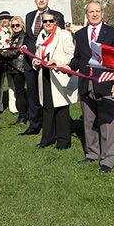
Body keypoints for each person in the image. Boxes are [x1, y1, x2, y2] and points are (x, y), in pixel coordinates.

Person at [69, 1, 114, 174]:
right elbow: (77, 58)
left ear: (102, 13)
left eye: (97, 11)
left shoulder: (113, 33)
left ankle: (108, 160)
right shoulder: (79, 34)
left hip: (107, 83)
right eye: (91, 12)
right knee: (89, 122)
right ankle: (92, 154)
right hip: (86, 84)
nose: (94, 14)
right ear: (86, 14)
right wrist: (65, 66)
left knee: (108, 123)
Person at [22, 0, 65, 136]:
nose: (41, 0)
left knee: (49, 96)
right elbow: (29, 37)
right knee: (32, 95)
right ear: (35, 0)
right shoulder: (29, 16)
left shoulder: (57, 16)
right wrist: (27, 49)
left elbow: (61, 38)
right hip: (31, 62)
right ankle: (33, 125)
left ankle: (50, 125)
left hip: (48, 64)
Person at [32, 12, 77, 149]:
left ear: (55, 22)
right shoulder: (41, 36)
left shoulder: (64, 34)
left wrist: (57, 62)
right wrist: (36, 62)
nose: (48, 24)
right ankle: (47, 138)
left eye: (51, 21)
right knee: (47, 107)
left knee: (61, 108)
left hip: (58, 74)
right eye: (45, 21)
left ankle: (63, 142)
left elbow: (70, 54)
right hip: (44, 73)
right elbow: (38, 55)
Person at [0, 16, 27, 124]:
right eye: (13, 25)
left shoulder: (22, 36)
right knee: (18, 92)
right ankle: (22, 115)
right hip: (13, 68)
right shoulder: (13, 36)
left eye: (17, 25)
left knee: (19, 92)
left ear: (22, 25)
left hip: (19, 68)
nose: (15, 27)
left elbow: (15, 52)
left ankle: (23, 116)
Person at [0, 10, 16, 113]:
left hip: (11, 61)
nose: (5, 20)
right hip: (0, 61)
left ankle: (13, 106)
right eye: (3, 18)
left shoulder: (13, 31)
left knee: (12, 84)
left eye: (7, 18)